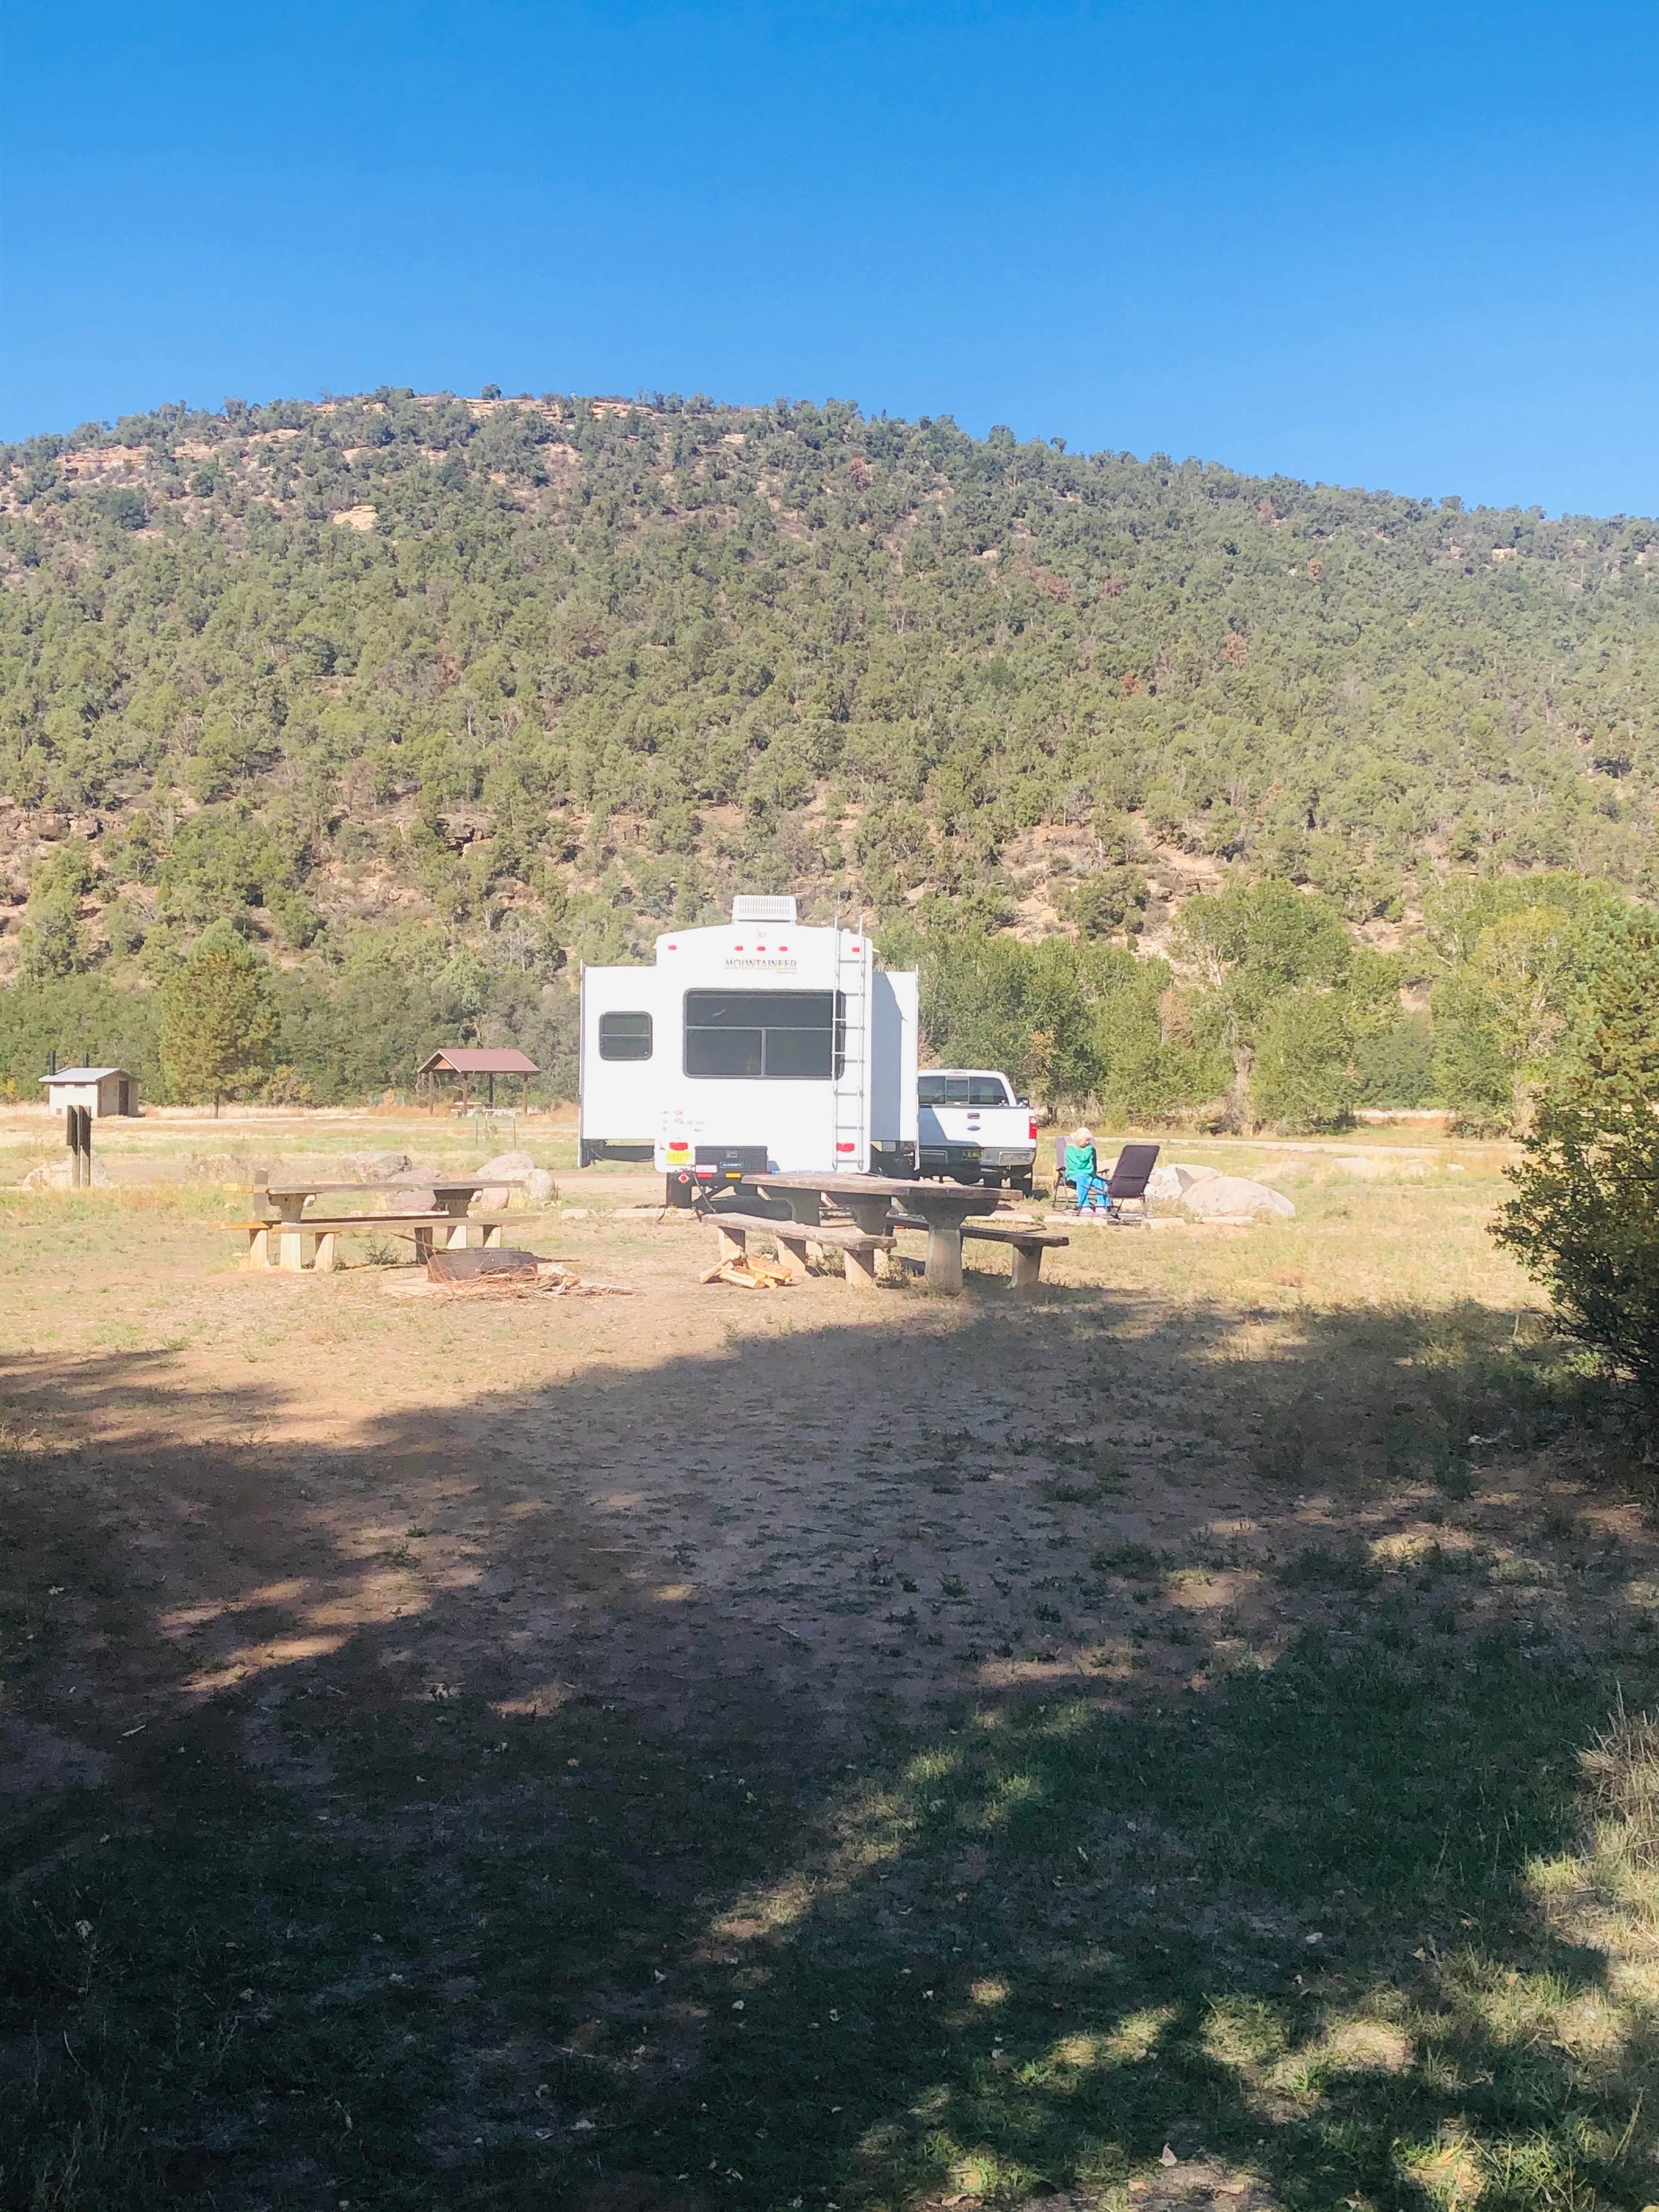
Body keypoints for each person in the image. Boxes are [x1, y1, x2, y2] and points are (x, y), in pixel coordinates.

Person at [1064, 1126, 1111, 1215]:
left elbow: (1087, 1163)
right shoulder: (1070, 1149)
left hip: (1089, 1174)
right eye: (1085, 1140)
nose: (1087, 1142)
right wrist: (1082, 1151)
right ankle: (1084, 1205)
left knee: (1100, 1182)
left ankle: (1101, 1205)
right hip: (1075, 1174)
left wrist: (1087, 1149)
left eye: (1088, 1140)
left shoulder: (1089, 1148)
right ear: (1078, 1139)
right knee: (1082, 1179)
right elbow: (1081, 1162)